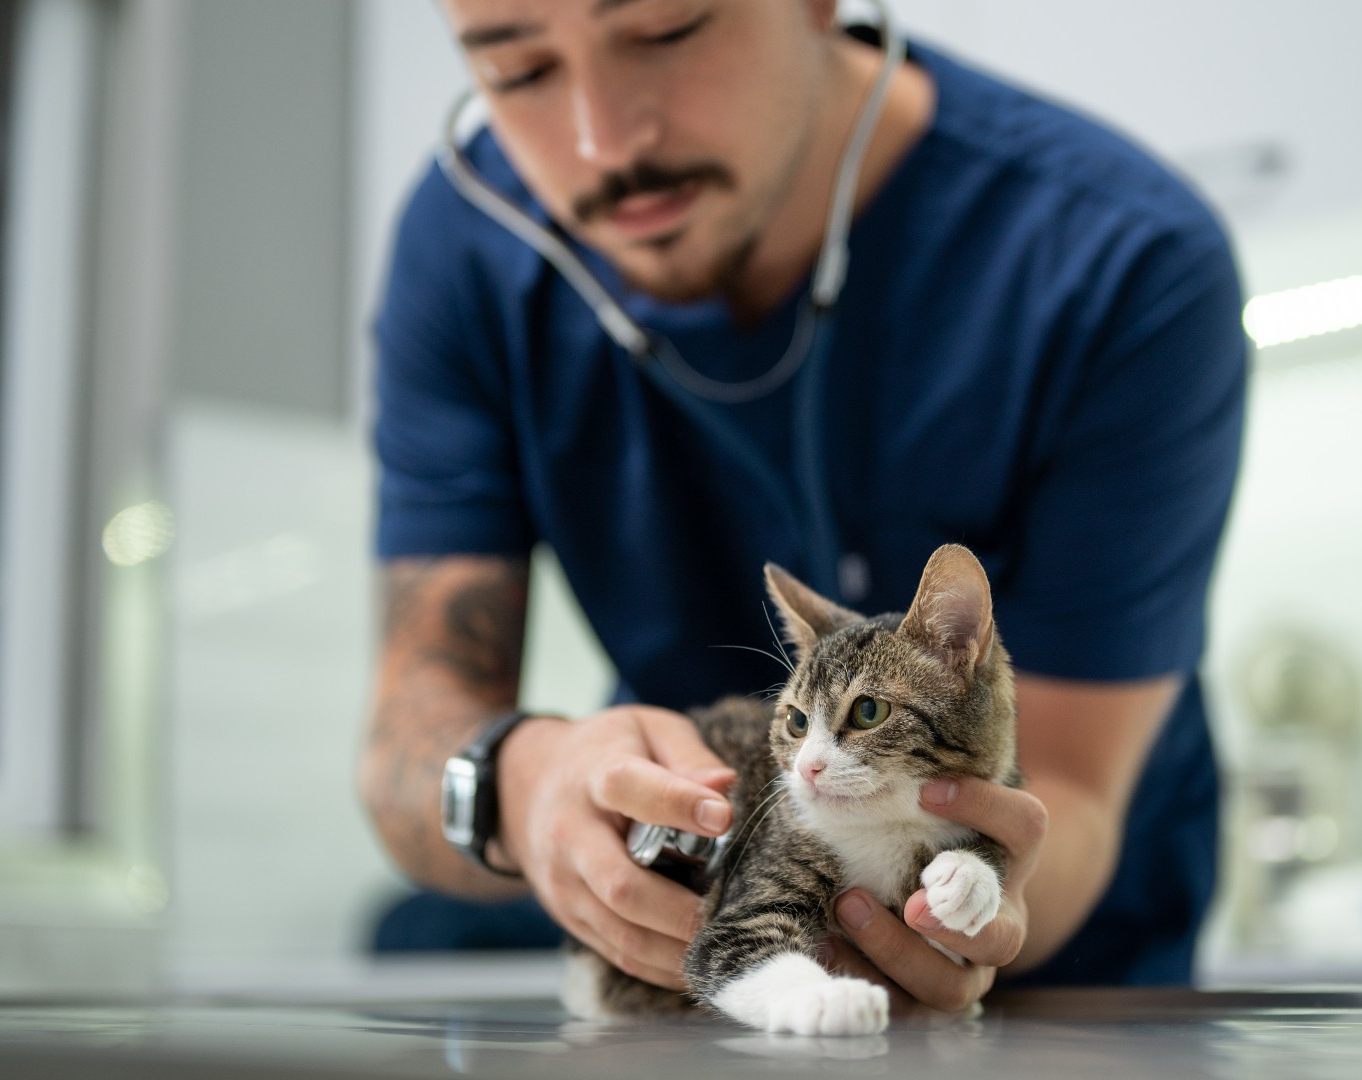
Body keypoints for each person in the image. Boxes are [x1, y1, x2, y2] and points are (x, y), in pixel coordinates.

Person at [359, 0, 1246, 1012]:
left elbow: (1070, 797)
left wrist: (957, 901)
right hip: (717, 975)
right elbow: (406, 744)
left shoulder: (1123, 260)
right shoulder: (467, 248)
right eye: (518, 71)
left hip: (1063, 997)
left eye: (665, 30)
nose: (604, 140)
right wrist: (520, 782)